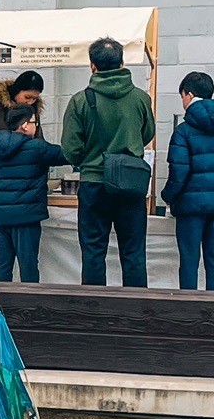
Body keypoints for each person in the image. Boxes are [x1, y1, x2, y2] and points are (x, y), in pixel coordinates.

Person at [59, 36, 156, 288]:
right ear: (122, 63)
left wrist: (89, 162)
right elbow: (147, 134)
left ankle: (94, 313)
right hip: (131, 183)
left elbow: (70, 149)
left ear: (92, 65)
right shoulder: (140, 98)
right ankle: (135, 311)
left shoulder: (80, 101)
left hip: (94, 184)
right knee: (134, 253)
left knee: (93, 253)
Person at [163, 71, 214, 292]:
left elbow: (178, 172)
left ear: (188, 95)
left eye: (182, 96)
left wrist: (168, 197)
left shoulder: (183, 131)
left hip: (190, 208)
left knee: (189, 261)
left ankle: (188, 309)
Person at [0, 109, 65, 283]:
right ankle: (29, 307)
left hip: (2, 217)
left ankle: (3, 305)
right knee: (28, 267)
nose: (36, 126)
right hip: (27, 217)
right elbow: (68, 155)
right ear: (25, 125)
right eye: (34, 122)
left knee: (2, 269)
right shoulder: (38, 147)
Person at [0, 69, 46, 148]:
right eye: (27, 97)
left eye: (34, 99)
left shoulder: (32, 109)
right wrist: (9, 139)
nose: (30, 102)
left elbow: (39, 140)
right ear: (17, 90)